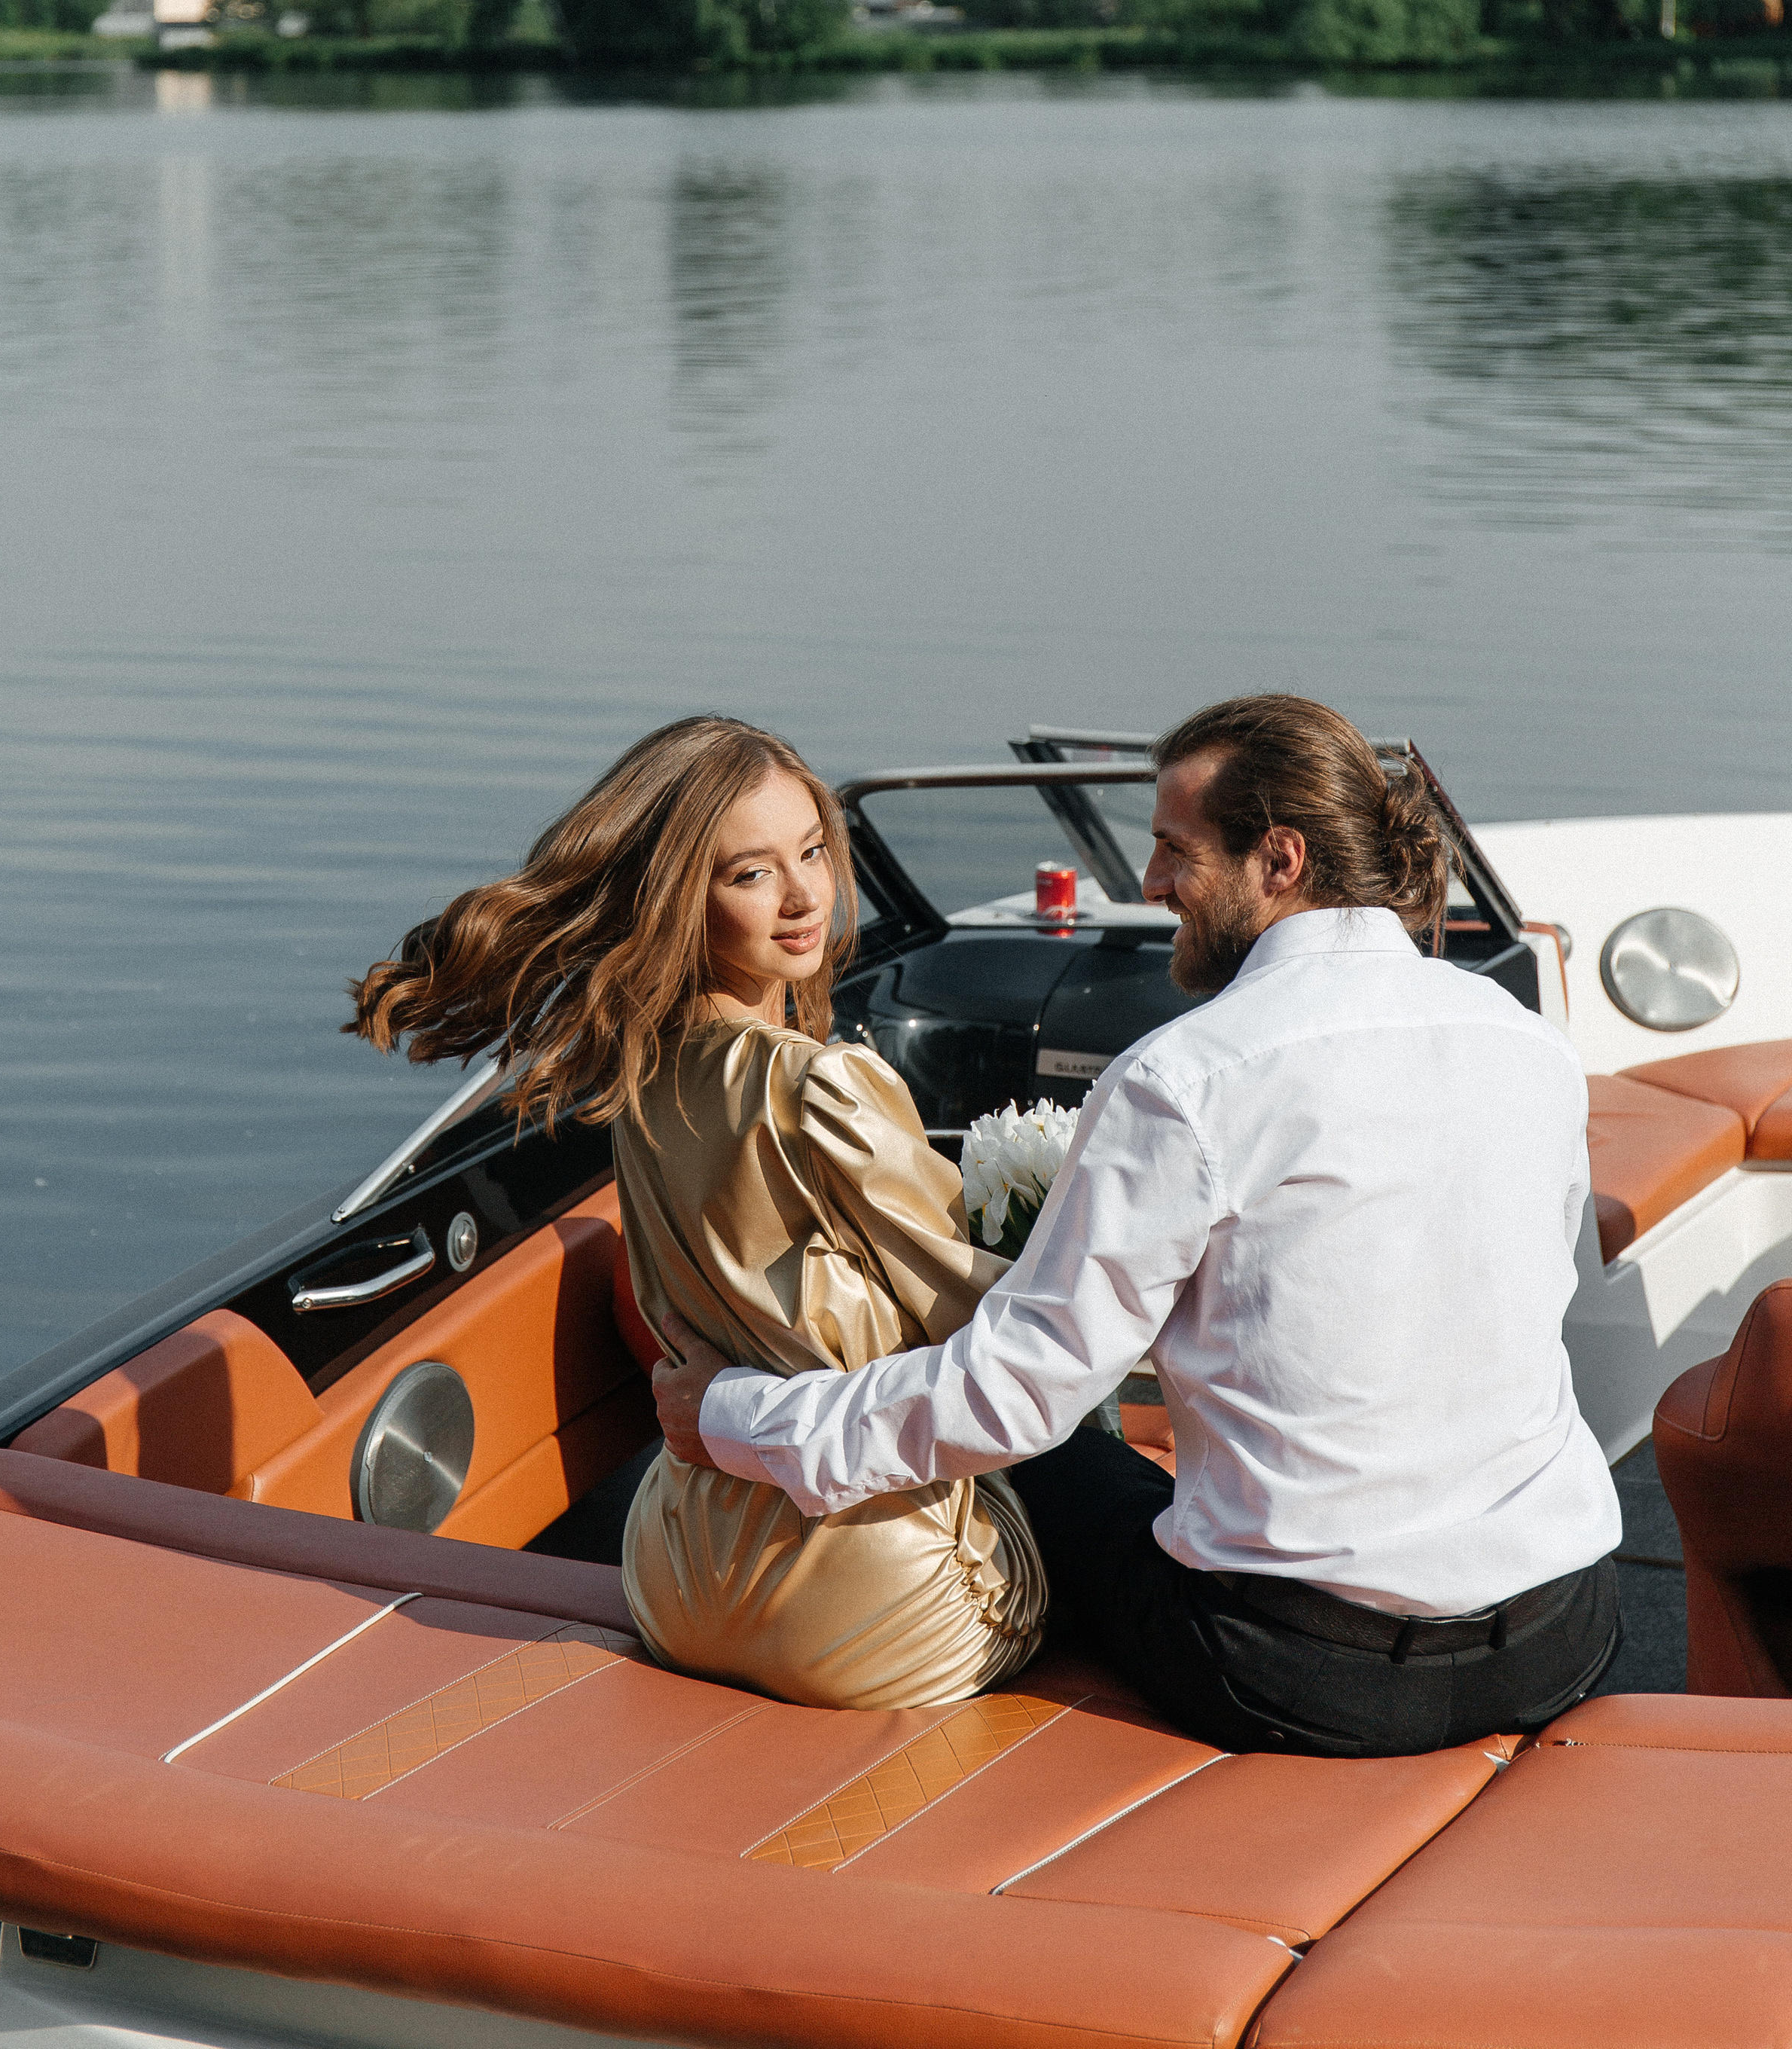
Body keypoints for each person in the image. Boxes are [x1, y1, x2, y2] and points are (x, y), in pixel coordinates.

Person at [654, 694, 1624, 1760]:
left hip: (1304, 1676)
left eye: (1172, 850)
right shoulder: (1529, 1042)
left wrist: (740, 1418)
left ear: (1281, 860)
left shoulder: (1186, 1078)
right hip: (1562, 1636)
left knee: (1053, 1465)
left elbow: (1013, 1395)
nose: (1152, 884)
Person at [346, 713, 1045, 1711]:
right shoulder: (826, 1084)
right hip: (878, 1605)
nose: (806, 896)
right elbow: (983, 1323)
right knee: (1093, 1505)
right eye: (752, 874)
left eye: (812, 852)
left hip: (673, 1578)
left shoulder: (638, 1073)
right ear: (684, 898)